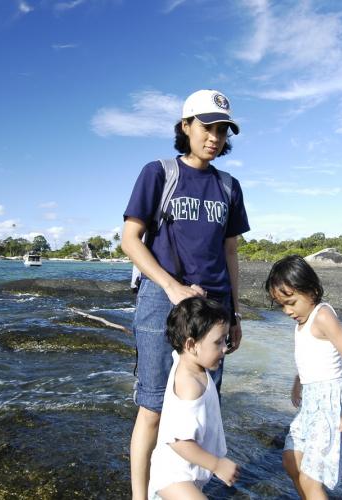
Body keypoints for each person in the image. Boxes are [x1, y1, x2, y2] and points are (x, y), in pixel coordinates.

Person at [122, 89, 249, 499]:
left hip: (213, 310)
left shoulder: (229, 186)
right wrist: (171, 286)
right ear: (186, 126)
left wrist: (235, 313)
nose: (215, 137)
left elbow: (229, 250)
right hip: (162, 301)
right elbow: (130, 239)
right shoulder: (158, 172)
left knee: (201, 407)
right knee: (154, 408)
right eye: (207, 127)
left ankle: (185, 487)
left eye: (222, 130)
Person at [265, 255, 342, 499]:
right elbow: (308, 356)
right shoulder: (302, 321)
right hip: (310, 401)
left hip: (328, 404)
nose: (287, 311)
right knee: (291, 460)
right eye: (281, 305)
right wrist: (297, 382)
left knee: (311, 477)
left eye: (291, 302)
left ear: (311, 290)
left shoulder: (322, 316)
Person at [148, 297, 239, 499]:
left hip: (188, 475)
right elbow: (179, 442)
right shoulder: (189, 386)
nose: (224, 348)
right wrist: (217, 464)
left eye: (224, 340)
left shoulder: (187, 361)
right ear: (191, 345)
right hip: (173, 478)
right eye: (218, 342)